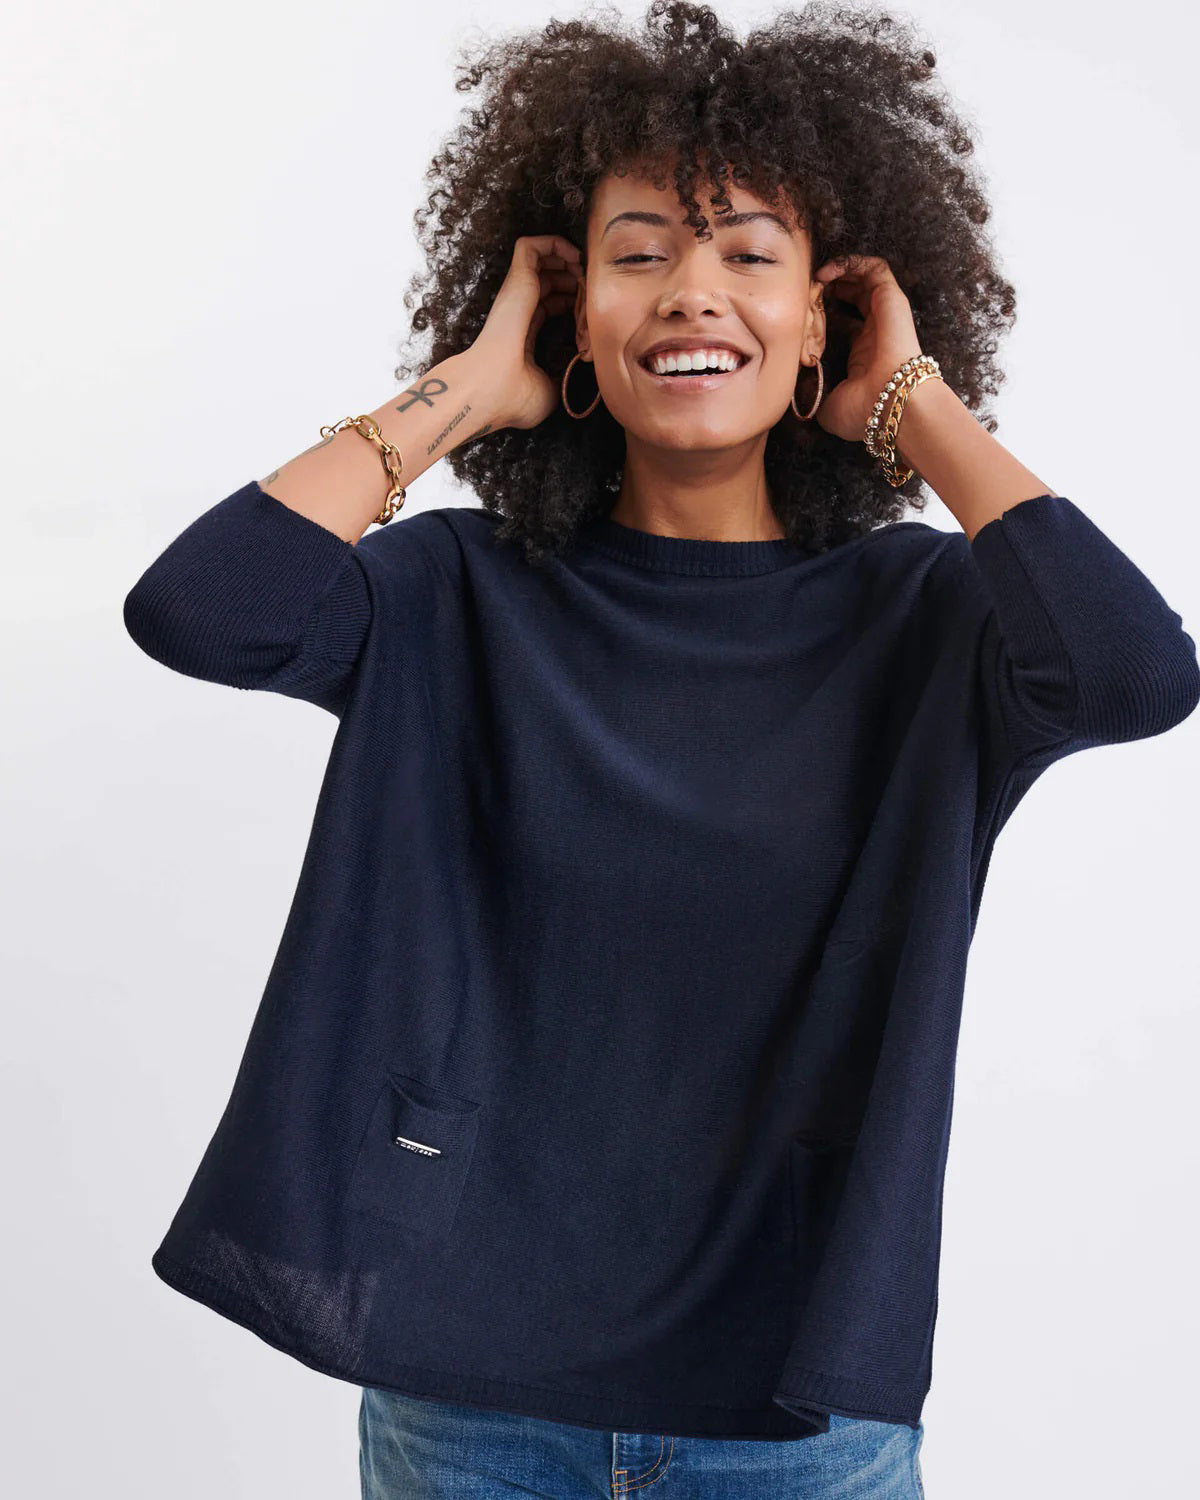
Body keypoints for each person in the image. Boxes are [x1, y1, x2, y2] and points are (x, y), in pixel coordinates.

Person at [123, 5, 1198, 1497]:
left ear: (827, 313)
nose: (694, 293)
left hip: (799, 1418)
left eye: (751, 256)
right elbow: (198, 611)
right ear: (573, 316)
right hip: (467, 1404)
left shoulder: (928, 623)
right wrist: (463, 390)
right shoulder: (454, 596)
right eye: (638, 255)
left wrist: (914, 404)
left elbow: (1140, 673)